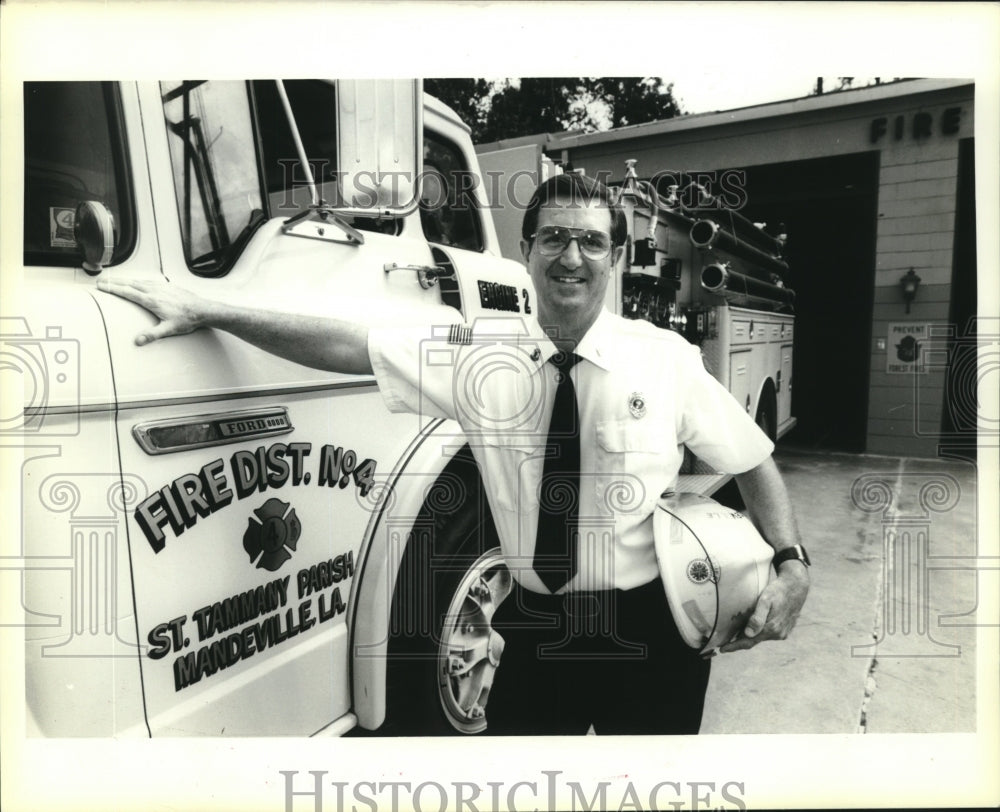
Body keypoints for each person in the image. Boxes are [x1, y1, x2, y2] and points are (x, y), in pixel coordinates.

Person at [97, 173, 809, 736]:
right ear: (526, 251)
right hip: (534, 623)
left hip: (653, 628)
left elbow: (750, 461)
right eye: (554, 238)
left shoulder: (667, 361)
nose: (572, 257)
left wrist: (791, 564)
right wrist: (214, 309)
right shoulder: (479, 356)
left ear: (617, 259)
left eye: (593, 242)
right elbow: (348, 343)